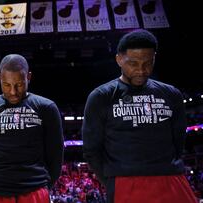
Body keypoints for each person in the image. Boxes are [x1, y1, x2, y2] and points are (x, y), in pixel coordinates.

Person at [82, 29, 197, 203]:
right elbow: (91, 150)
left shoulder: (171, 94)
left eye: (148, 63)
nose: (141, 70)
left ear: (154, 58)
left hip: (171, 178)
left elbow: (179, 141)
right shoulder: (101, 96)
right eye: (133, 63)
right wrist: (112, 180)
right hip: (125, 181)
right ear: (119, 59)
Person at [0, 54, 64, 203]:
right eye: (7, 84)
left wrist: (42, 187)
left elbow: (56, 156)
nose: (13, 92)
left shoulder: (47, 108)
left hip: (33, 191)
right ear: (0, 77)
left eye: (19, 84)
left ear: (29, 77)